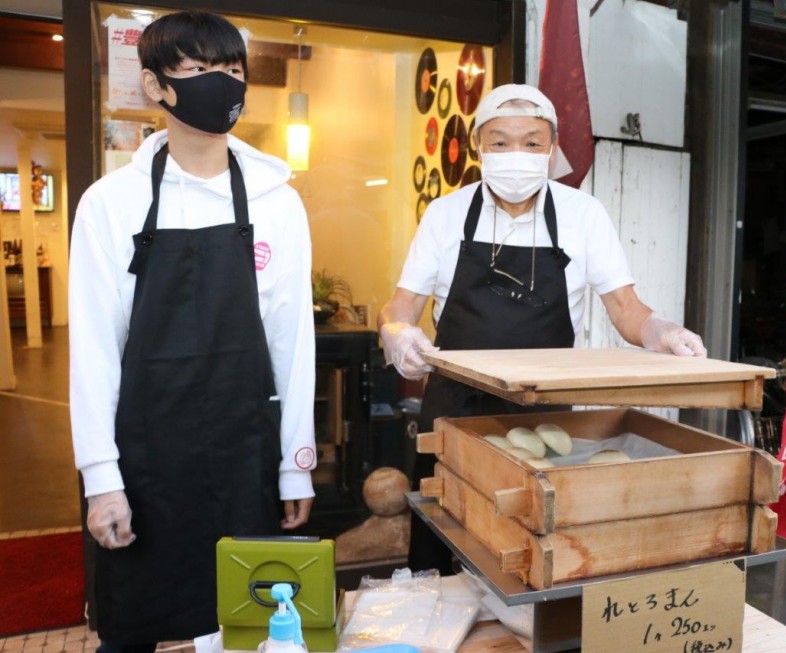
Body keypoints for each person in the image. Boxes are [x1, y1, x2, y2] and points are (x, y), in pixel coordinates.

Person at [377, 84, 707, 574]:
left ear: (552, 150)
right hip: (454, 413)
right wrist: (397, 334)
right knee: (443, 540)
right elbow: (399, 307)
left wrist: (662, 330)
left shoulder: (583, 215)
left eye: (532, 142)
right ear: (478, 147)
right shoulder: (445, 214)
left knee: (532, 549)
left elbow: (626, 308)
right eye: (500, 141)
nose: (517, 154)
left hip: (545, 415)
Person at [68, 11, 316, 651]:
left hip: (242, 455)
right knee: (131, 627)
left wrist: (295, 467)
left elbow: (291, 343)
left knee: (245, 621)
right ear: (155, 87)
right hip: (144, 459)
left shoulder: (276, 201)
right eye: (201, 68)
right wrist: (102, 479)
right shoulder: (110, 202)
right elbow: (94, 350)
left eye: (233, 70)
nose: (223, 83)